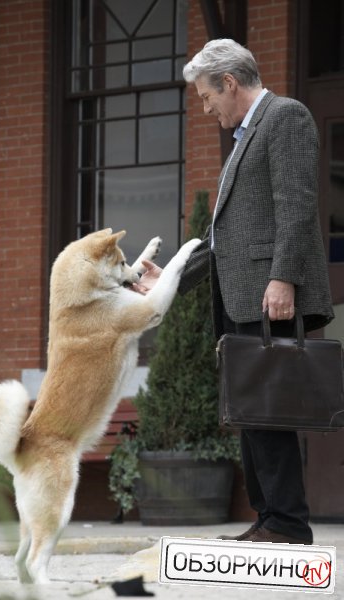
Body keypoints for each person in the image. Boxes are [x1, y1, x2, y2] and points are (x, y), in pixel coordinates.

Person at [135, 38, 334, 544]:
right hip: (243, 295)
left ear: (229, 83)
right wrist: (173, 277)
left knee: (269, 412)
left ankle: (288, 525)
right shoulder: (245, 136)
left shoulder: (285, 117)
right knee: (251, 413)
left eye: (206, 97)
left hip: (269, 294)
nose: (206, 109)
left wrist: (284, 276)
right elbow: (227, 236)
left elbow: (297, 204)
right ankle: (269, 519)